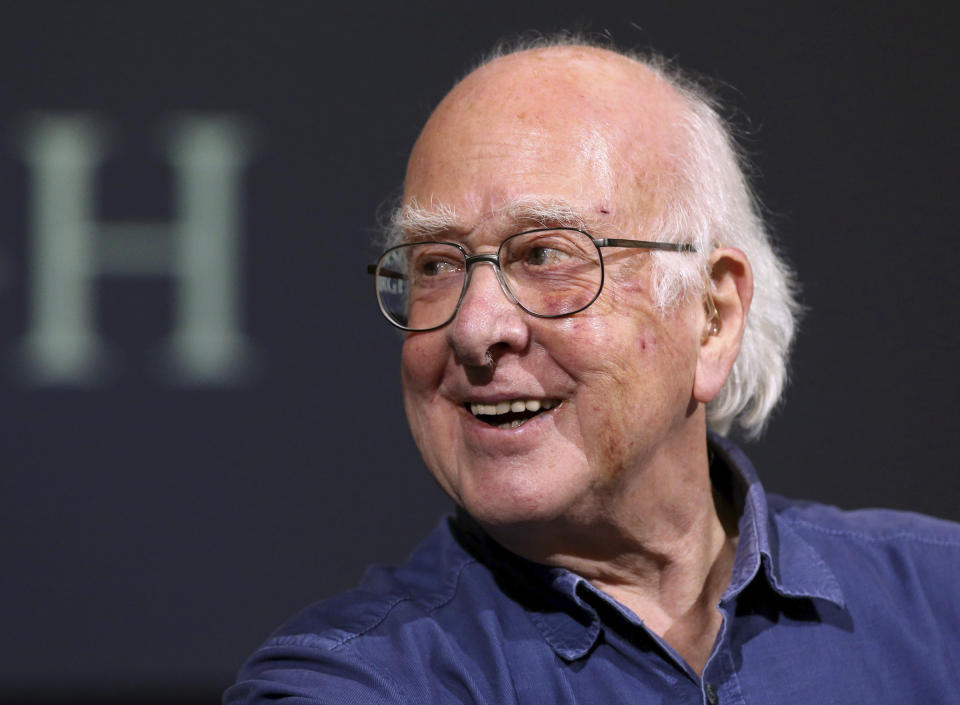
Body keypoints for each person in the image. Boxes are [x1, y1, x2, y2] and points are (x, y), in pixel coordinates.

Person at [226, 37, 960, 704]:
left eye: (544, 254)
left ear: (712, 315)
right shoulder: (355, 682)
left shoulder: (939, 602)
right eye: (437, 265)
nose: (477, 329)